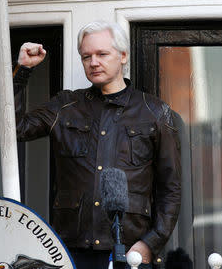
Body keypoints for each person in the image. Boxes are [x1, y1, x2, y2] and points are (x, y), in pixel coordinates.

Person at [13, 21, 181, 269]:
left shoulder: (155, 112)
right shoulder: (65, 106)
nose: (93, 62)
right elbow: (14, 128)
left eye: (102, 54)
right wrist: (22, 72)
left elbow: (171, 189)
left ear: (123, 56)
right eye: (86, 56)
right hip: (69, 251)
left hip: (130, 252)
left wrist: (150, 243)